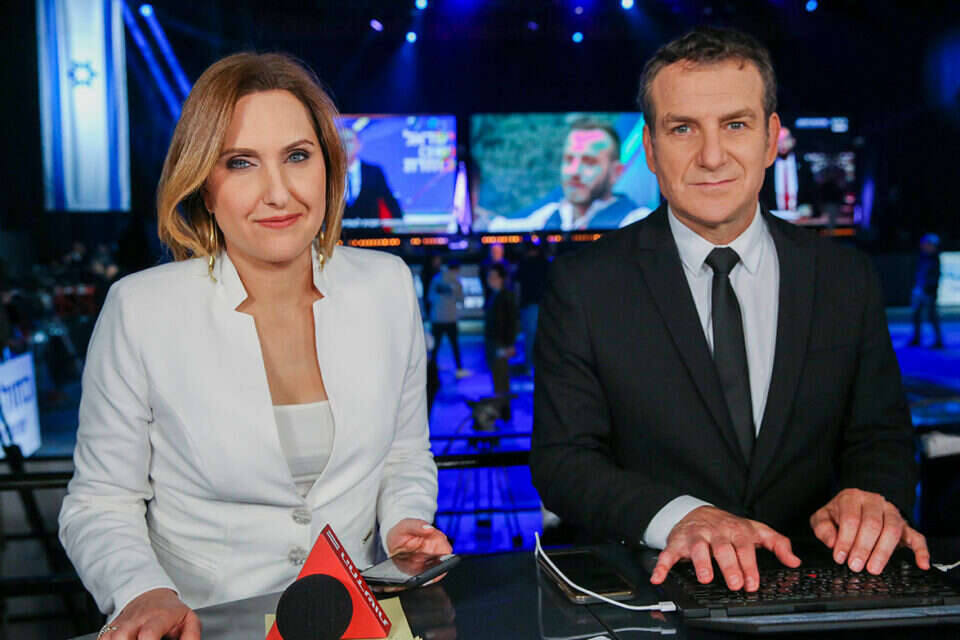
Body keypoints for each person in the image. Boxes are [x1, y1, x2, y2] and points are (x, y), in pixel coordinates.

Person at [58, 53, 450, 640]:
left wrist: (403, 523)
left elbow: (404, 455)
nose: (278, 192)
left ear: (329, 169)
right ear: (204, 187)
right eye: (241, 163)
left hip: (356, 621)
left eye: (298, 156)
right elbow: (100, 501)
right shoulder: (140, 309)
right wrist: (142, 591)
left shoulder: (388, 285)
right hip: (205, 626)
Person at [530, 26, 927, 597]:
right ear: (650, 149)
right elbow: (564, 461)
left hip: (820, 591)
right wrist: (681, 517)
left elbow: (881, 435)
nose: (712, 156)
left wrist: (869, 495)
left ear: (771, 139)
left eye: (735, 125)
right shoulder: (585, 284)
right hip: (654, 597)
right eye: (683, 129)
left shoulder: (845, 277)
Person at [486, 120, 650, 231]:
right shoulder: (550, 215)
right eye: (569, 160)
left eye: (589, 161)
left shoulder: (637, 222)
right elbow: (500, 228)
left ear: (616, 172)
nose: (574, 171)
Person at [339, 126, 404, 222]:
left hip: (371, 230)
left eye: (349, 141)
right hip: (338, 231)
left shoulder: (374, 172)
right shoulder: (329, 174)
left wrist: (400, 226)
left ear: (359, 144)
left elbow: (389, 201)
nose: (345, 146)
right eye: (341, 141)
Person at [484, 263, 517, 418]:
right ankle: (503, 411)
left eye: (493, 276)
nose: (490, 279)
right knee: (499, 378)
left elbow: (510, 322)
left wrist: (509, 344)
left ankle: (502, 411)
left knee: (501, 378)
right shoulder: (495, 296)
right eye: (489, 276)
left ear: (501, 278)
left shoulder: (504, 297)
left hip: (500, 343)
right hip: (495, 343)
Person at [760, 126, 813, 219]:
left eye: (785, 139)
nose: (782, 143)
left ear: (793, 141)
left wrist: (808, 208)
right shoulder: (766, 166)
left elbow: (811, 193)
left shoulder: (803, 165)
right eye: (778, 140)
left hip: (799, 219)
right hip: (772, 219)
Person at [427, 260, 469, 379]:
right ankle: (459, 369)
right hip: (450, 319)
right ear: (456, 270)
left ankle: (431, 368)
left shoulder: (436, 279)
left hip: (436, 318)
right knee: (454, 344)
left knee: (435, 346)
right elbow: (461, 299)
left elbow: (430, 297)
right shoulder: (456, 282)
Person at [908, 233, 944, 348]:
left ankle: (938, 340)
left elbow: (934, 277)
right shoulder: (922, 258)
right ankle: (917, 338)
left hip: (929, 292)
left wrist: (929, 289)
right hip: (920, 291)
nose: (924, 246)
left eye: (927, 244)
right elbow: (919, 274)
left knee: (932, 316)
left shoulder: (934, 259)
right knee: (916, 315)